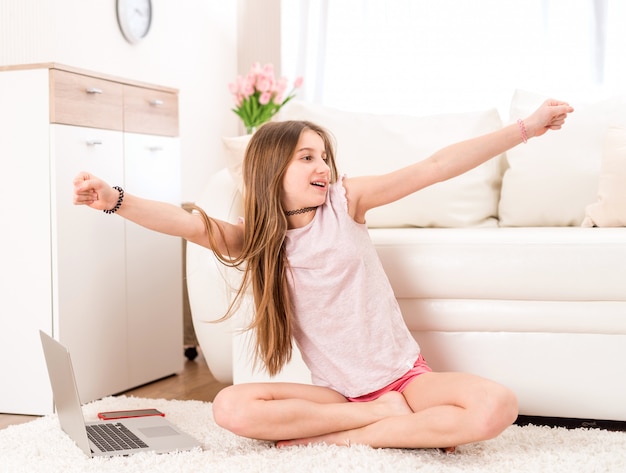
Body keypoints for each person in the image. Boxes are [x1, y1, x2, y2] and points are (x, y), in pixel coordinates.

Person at [73, 99, 573, 451]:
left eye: (325, 156)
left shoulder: (346, 202)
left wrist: (524, 128)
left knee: (495, 407)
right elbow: (187, 222)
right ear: (272, 171)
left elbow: (436, 166)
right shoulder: (257, 239)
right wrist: (114, 200)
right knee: (230, 408)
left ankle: (332, 436)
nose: (324, 167)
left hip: (404, 382)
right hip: (339, 395)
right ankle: (377, 422)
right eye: (307, 157)